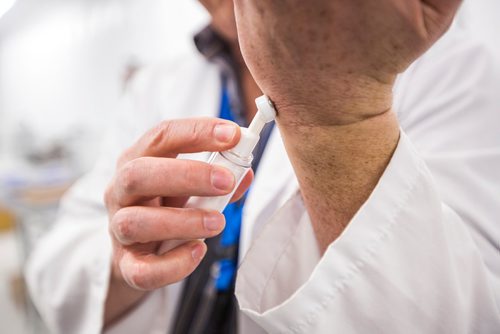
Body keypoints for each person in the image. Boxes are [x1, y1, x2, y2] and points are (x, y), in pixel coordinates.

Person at [27, 1, 500, 333]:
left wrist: (338, 117)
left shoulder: (455, 74)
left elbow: (456, 318)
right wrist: (121, 254)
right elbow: (56, 269)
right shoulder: (157, 85)